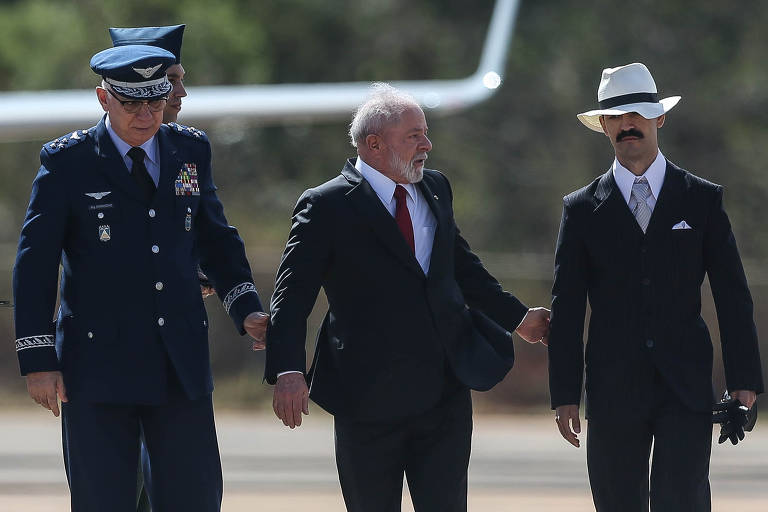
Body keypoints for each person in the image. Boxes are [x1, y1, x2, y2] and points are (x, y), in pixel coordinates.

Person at [265, 83, 550, 511]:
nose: (427, 145)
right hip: (367, 400)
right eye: (414, 135)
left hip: (444, 393)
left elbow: (464, 269)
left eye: (426, 132)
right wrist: (288, 370)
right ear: (374, 143)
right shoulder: (325, 206)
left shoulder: (435, 188)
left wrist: (518, 318)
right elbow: (291, 296)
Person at [13, 44, 268, 512]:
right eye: (132, 104)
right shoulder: (66, 162)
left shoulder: (190, 149)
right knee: (103, 500)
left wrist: (245, 305)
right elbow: (34, 262)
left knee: (194, 498)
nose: (146, 115)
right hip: (97, 369)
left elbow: (216, 237)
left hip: (179, 366)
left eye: (155, 101)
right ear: (103, 98)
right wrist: (38, 358)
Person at [548, 62, 764, 511]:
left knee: (683, 501)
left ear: (659, 117)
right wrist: (565, 393)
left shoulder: (702, 199)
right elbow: (566, 308)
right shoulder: (581, 209)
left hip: (685, 386)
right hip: (611, 391)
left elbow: (732, 293)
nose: (629, 125)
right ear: (604, 126)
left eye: (639, 114)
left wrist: (744, 380)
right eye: (618, 117)